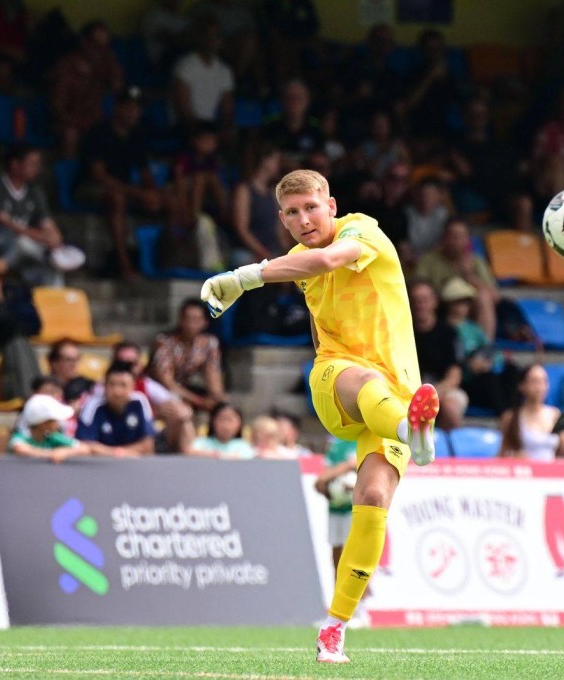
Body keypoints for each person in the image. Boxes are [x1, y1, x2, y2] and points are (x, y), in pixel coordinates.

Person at [199, 169, 439, 663]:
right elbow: (317, 316)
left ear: (331, 205)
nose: (303, 219)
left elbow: (330, 259)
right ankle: (409, 429)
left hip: (400, 391)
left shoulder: (362, 231)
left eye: (310, 207)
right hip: (340, 381)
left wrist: (241, 278)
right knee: (363, 380)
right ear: (282, 221)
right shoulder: (295, 261)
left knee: (372, 498)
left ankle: (335, 627)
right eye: (291, 212)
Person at [79, 87, 172, 279]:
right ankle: (124, 265)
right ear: (117, 108)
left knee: (171, 199)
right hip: (90, 187)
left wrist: (153, 194)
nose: (133, 113)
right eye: (129, 107)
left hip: (125, 188)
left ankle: (169, 262)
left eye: (137, 109)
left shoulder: (136, 136)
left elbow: (145, 173)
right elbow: (99, 176)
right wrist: (138, 194)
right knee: (117, 200)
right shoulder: (99, 132)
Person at [0, 145, 84, 288]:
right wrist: (38, 236)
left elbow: (47, 222)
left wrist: (55, 238)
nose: (37, 169)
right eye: (32, 164)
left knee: (52, 262)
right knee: (21, 242)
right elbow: (5, 222)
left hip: (25, 246)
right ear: (15, 164)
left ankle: (54, 300)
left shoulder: (35, 192)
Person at [314, 437, 372, 628]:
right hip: (336, 510)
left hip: (356, 511)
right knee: (337, 562)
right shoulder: (337, 445)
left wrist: (354, 486)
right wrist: (334, 484)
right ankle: (338, 613)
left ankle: (361, 611)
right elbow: (321, 480)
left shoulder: (369, 440)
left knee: (356, 560)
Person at [441, 277, 517, 415]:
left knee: (511, 370)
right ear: (449, 304)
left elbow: (492, 350)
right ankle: (504, 415)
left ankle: (512, 412)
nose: (464, 306)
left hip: (483, 375)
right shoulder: (443, 329)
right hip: (465, 381)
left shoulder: (473, 329)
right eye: (459, 301)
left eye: (466, 302)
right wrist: (468, 366)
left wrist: (489, 363)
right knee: (489, 379)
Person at [414, 218, 500, 340]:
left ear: (467, 240)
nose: (456, 240)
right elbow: (417, 288)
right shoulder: (428, 260)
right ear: (444, 238)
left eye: (461, 236)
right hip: (439, 305)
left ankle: (483, 348)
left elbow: (495, 296)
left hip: (470, 307)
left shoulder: (476, 262)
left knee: (484, 297)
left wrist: (468, 275)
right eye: (452, 235)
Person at [48, 20, 124, 155]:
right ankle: (68, 170)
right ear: (85, 42)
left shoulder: (105, 65)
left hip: (95, 121)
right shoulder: (67, 66)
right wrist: (78, 122)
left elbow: (117, 87)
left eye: (105, 46)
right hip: (68, 121)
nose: (101, 50)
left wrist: (111, 62)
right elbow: (57, 107)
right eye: (96, 45)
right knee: (70, 134)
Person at [149, 298, 227, 412]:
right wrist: (199, 401)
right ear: (180, 320)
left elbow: (213, 375)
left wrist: (218, 400)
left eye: (196, 320)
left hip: (185, 388)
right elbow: (166, 382)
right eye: (187, 319)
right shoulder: (164, 342)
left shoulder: (209, 343)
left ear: (205, 322)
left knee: (223, 406)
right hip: (159, 390)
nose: (191, 324)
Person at [409, 280, 466, 430]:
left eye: (425, 300)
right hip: (409, 390)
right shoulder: (402, 332)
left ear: (435, 302)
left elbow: (455, 374)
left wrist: (435, 393)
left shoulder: (448, 333)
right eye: (416, 300)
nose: (420, 305)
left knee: (450, 409)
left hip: (444, 389)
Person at [76, 362, 155, 456]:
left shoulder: (140, 402)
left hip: (133, 463)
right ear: (104, 386)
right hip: (100, 464)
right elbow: (86, 445)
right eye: (112, 385)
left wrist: (119, 453)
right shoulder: (93, 405)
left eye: (123, 385)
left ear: (133, 386)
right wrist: (119, 454)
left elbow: (148, 444)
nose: (117, 391)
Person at [171, 17, 234, 131]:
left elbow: (227, 110)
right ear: (200, 38)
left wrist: (225, 128)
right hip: (185, 127)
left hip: (208, 128)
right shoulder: (186, 65)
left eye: (217, 36)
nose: (213, 40)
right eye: (209, 36)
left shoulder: (224, 71)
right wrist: (201, 131)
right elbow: (183, 110)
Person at [8, 394, 105, 462]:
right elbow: (20, 449)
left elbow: (85, 449)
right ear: (43, 423)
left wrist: (64, 452)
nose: (58, 423)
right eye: (54, 420)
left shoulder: (52, 437)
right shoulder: (21, 436)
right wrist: (51, 454)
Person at [231, 144, 284, 266]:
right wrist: (264, 254)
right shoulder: (244, 190)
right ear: (265, 161)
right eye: (276, 160)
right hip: (247, 252)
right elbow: (242, 229)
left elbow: (279, 231)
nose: (278, 165)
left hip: (271, 252)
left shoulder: (273, 193)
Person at [499, 364, 562, 460]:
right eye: (534, 382)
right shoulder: (511, 417)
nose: (540, 388)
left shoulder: (555, 414)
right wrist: (514, 456)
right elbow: (502, 454)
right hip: (525, 471)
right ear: (522, 386)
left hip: (551, 471)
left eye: (544, 381)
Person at [262, 79, 326, 167]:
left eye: (298, 97)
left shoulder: (316, 129)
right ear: (282, 101)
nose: (294, 102)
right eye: (289, 97)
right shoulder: (270, 128)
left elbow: (321, 161)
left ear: (307, 101)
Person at [189, 401, 254, 459]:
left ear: (240, 424)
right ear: (212, 422)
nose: (226, 425)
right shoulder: (201, 443)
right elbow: (189, 453)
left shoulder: (244, 446)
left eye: (230, 420)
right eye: (222, 419)